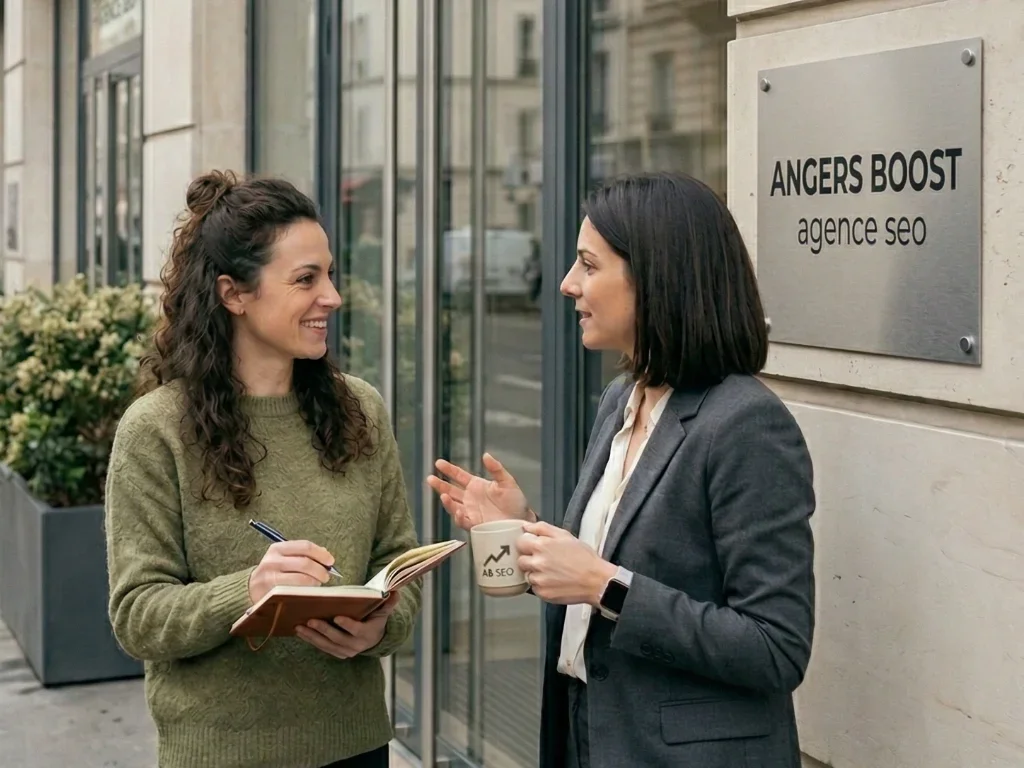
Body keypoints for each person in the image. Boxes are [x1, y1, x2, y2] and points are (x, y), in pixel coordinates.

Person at [428, 172, 816, 768]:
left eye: (588, 264)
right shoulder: (622, 398)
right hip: (592, 732)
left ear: (657, 277)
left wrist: (605, 585)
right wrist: (526, 529)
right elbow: (603, 572)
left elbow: (775, 648)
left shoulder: (745, 424)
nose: (566, 284)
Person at [104, 170, 420, 768]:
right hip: (220, 755)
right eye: (306, 279)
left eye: (330, 274)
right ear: (234, 294)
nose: (332, 296)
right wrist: (248, 592)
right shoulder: (157, 430)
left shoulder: (361, 410)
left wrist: (381, 628)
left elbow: (397, 562)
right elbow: (137, 615)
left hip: (356, 745)